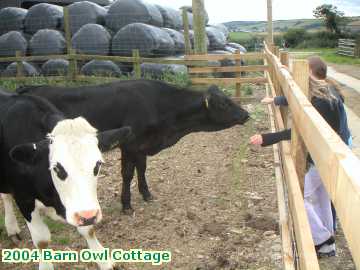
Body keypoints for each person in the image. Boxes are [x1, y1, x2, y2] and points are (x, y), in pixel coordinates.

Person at [250, 56, 351, 258]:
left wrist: (267, 138)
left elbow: (303, 133)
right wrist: (278, 99)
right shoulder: (325, 91)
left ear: (309, 73)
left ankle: (322, 238)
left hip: (325, 157)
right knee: (321, 196)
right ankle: (327, 242)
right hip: (326, 156)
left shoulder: (322, 101)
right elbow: (298, 98)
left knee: (301, 196)